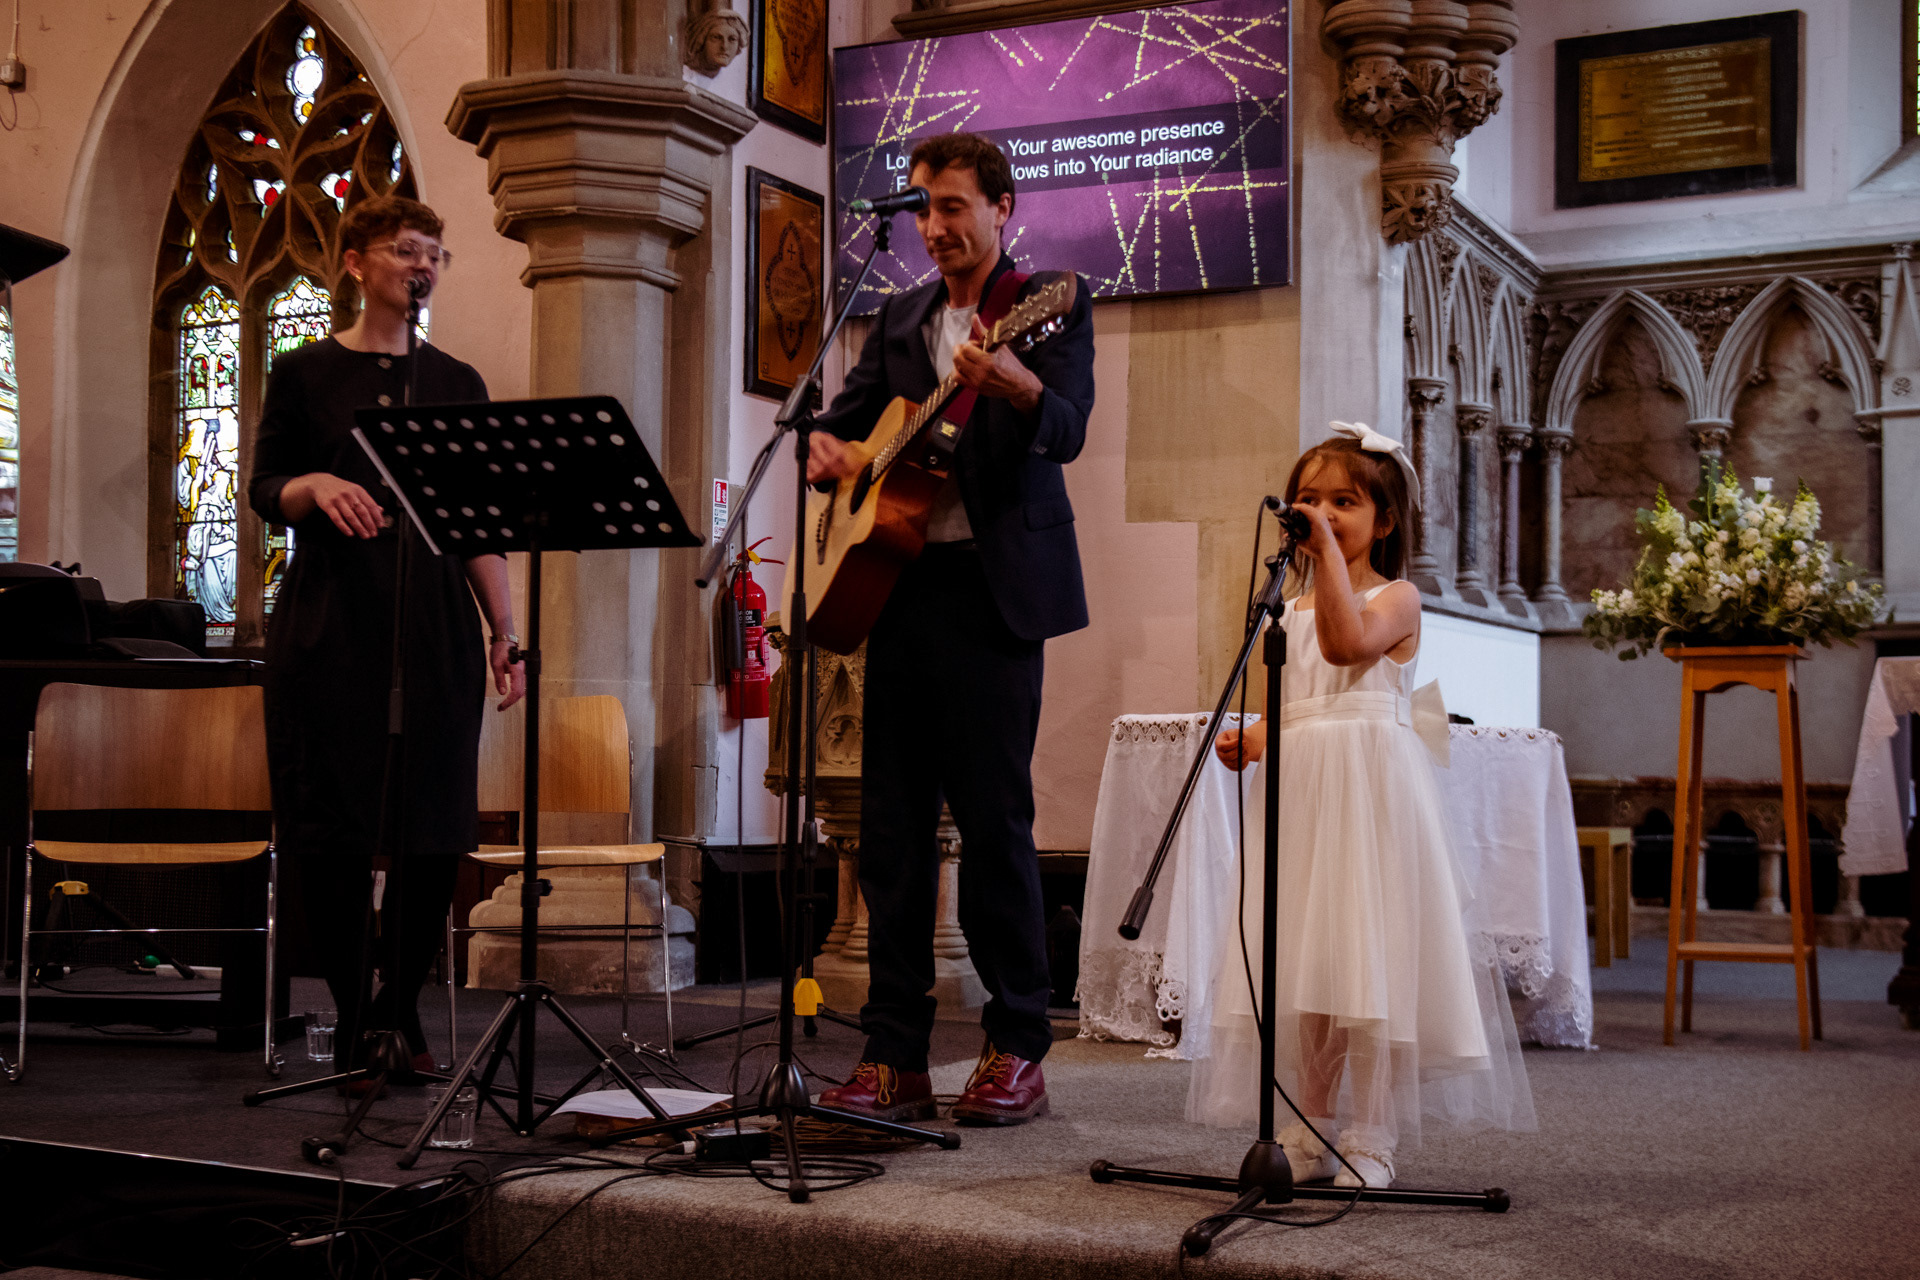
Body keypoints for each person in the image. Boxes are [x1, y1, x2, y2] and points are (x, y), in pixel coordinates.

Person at [807, 132, 1095, 1126]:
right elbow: (843, 426)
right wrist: (832, 456)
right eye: (924, 208)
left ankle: (1017, 1044)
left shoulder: (1048, 302)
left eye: (954, 205)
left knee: (993, 823)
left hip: (992, 593)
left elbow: (1069, 428)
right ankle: (895, 1056)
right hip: (899, 588)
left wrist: (1016, 381)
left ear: (1002, 208)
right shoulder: (898, 318)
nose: (935, 226)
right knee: (891, 833)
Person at [1195, 424, 1533, 1187]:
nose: (1321, 513)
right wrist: (1257, 737)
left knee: (1371, 966)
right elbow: (1297, 703)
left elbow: (1347, 649)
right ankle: (1311, 1126)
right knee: (1314, 964)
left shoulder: (1396, 598)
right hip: (1306, 799)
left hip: (1370, 796)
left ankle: (1374, 1133)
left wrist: (1323, 560)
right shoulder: (1287, 608)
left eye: (1343, 502)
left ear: (1384, 521)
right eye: (1309, 500)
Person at [250, 195, 524, 1076]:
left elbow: (480, 524)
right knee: (331, 824)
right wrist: (314, 487)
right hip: (330, 622)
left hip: (435, 622)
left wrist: (505, 631)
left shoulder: (457, 382)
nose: (423, 266)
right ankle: (350, 1013)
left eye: (434, 254)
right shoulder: (302, 373)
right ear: (356, 263)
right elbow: (263, 486)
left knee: (432, 825)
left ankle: (397, 1012)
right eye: (406, 250)